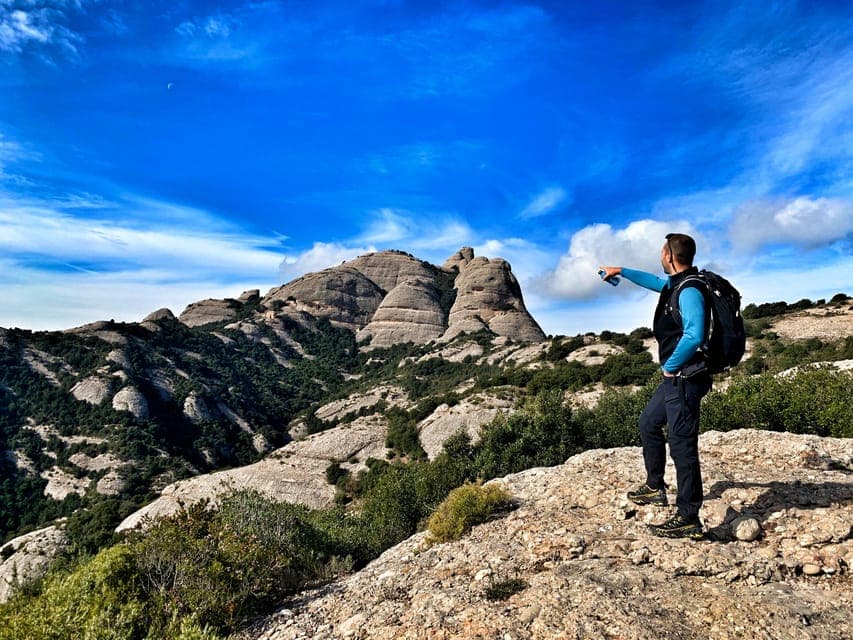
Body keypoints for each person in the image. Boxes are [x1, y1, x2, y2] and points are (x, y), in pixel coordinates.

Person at [598, 232, 712, 539]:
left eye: (662, 252)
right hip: (676, 378)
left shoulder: (689, 290)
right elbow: (654, 282)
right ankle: (654, 486)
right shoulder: (676, 284)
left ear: (670, 257)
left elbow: (695, 334)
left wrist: (670, 365)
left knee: (682, 446)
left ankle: (689, 517)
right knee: (649, 422)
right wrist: (620, 270)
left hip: (685, 377)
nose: (660, 257)